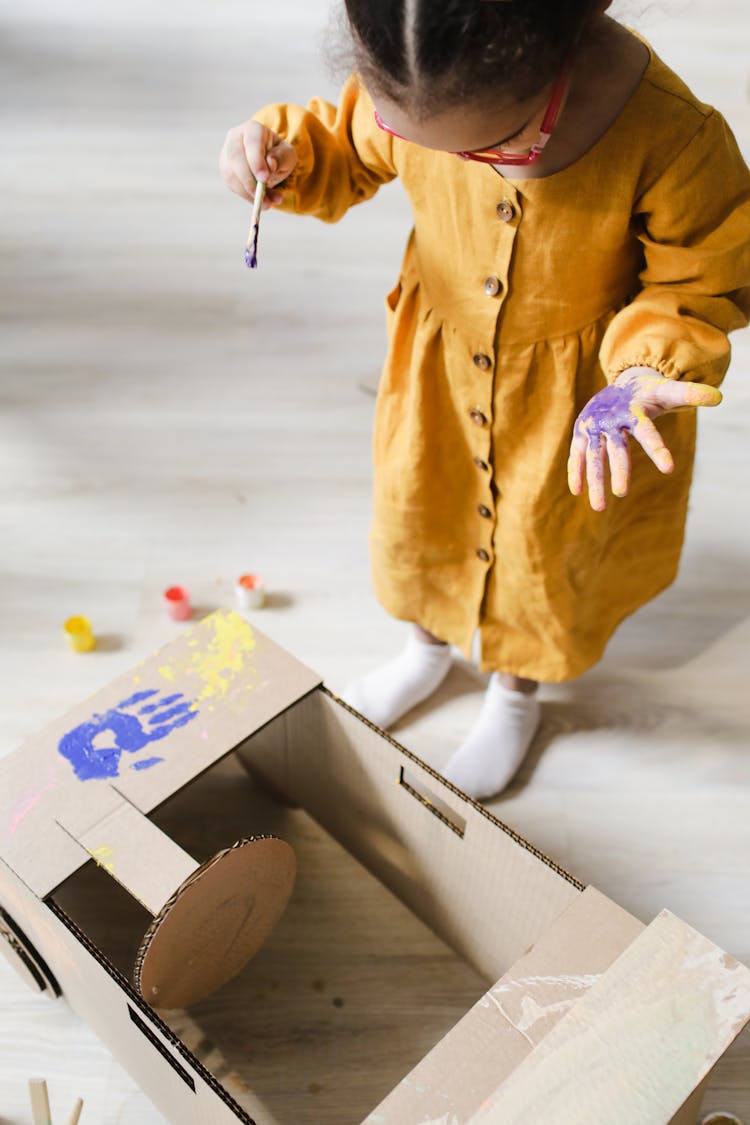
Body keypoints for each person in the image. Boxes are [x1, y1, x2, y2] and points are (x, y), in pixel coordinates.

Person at [220, 0, 750, 800]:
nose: (462, 160)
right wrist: (284, 154)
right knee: (421, 514)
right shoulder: (418, 86)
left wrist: (647, 364)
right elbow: (347, 147)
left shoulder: (671, 135)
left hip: (576, 409)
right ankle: (426, 653)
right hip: (439, 375)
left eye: (492, 145)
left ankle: (514, 690)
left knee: (546, 559)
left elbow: (703, 272)